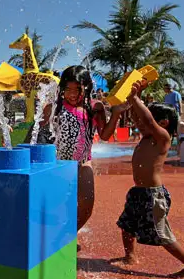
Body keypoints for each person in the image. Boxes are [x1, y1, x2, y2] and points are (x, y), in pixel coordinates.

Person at [112, 80, 184, 279]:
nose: (140, 123)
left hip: (153, 195)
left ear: (162, 123)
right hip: (138, 192)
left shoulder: (162, 137)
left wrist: (136, 98)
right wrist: (132, 102)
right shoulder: (147, 136)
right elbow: (140, 118)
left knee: (161, 234)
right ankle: (130, 257)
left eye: (150, 120)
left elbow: (147, 120)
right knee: (127, 225)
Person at [42, 66, 129, 241]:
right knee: (56, 206)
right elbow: (40, 134)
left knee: (86, 206)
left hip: (83, 163)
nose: (72, 94)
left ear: (87, 87)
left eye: (78, 89)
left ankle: (65, 236)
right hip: (58, 165)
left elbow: (104, 135)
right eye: (68, 89)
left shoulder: (95, 107)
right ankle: (55, 237)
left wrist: (116, 114)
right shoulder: (53, 108)